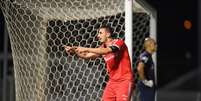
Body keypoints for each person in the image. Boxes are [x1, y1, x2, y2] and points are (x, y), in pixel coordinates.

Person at [64, 25, 134, 101]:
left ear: (108, 34)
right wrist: (75, 51)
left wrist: (85, 48)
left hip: (124, 81)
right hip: (112, 82)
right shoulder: (102, 47)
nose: (98, 36)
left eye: (100, 33)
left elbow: (107, 50)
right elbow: (86, 55)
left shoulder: (119, 42)